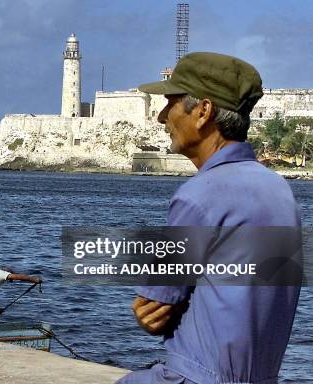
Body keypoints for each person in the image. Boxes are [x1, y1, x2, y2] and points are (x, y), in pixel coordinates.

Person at [117, 52, 301, 383]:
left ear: (203, 112)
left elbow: (155, 307)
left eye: (170, 104)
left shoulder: (198, 196)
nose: (161, 117)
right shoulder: (279, 190)